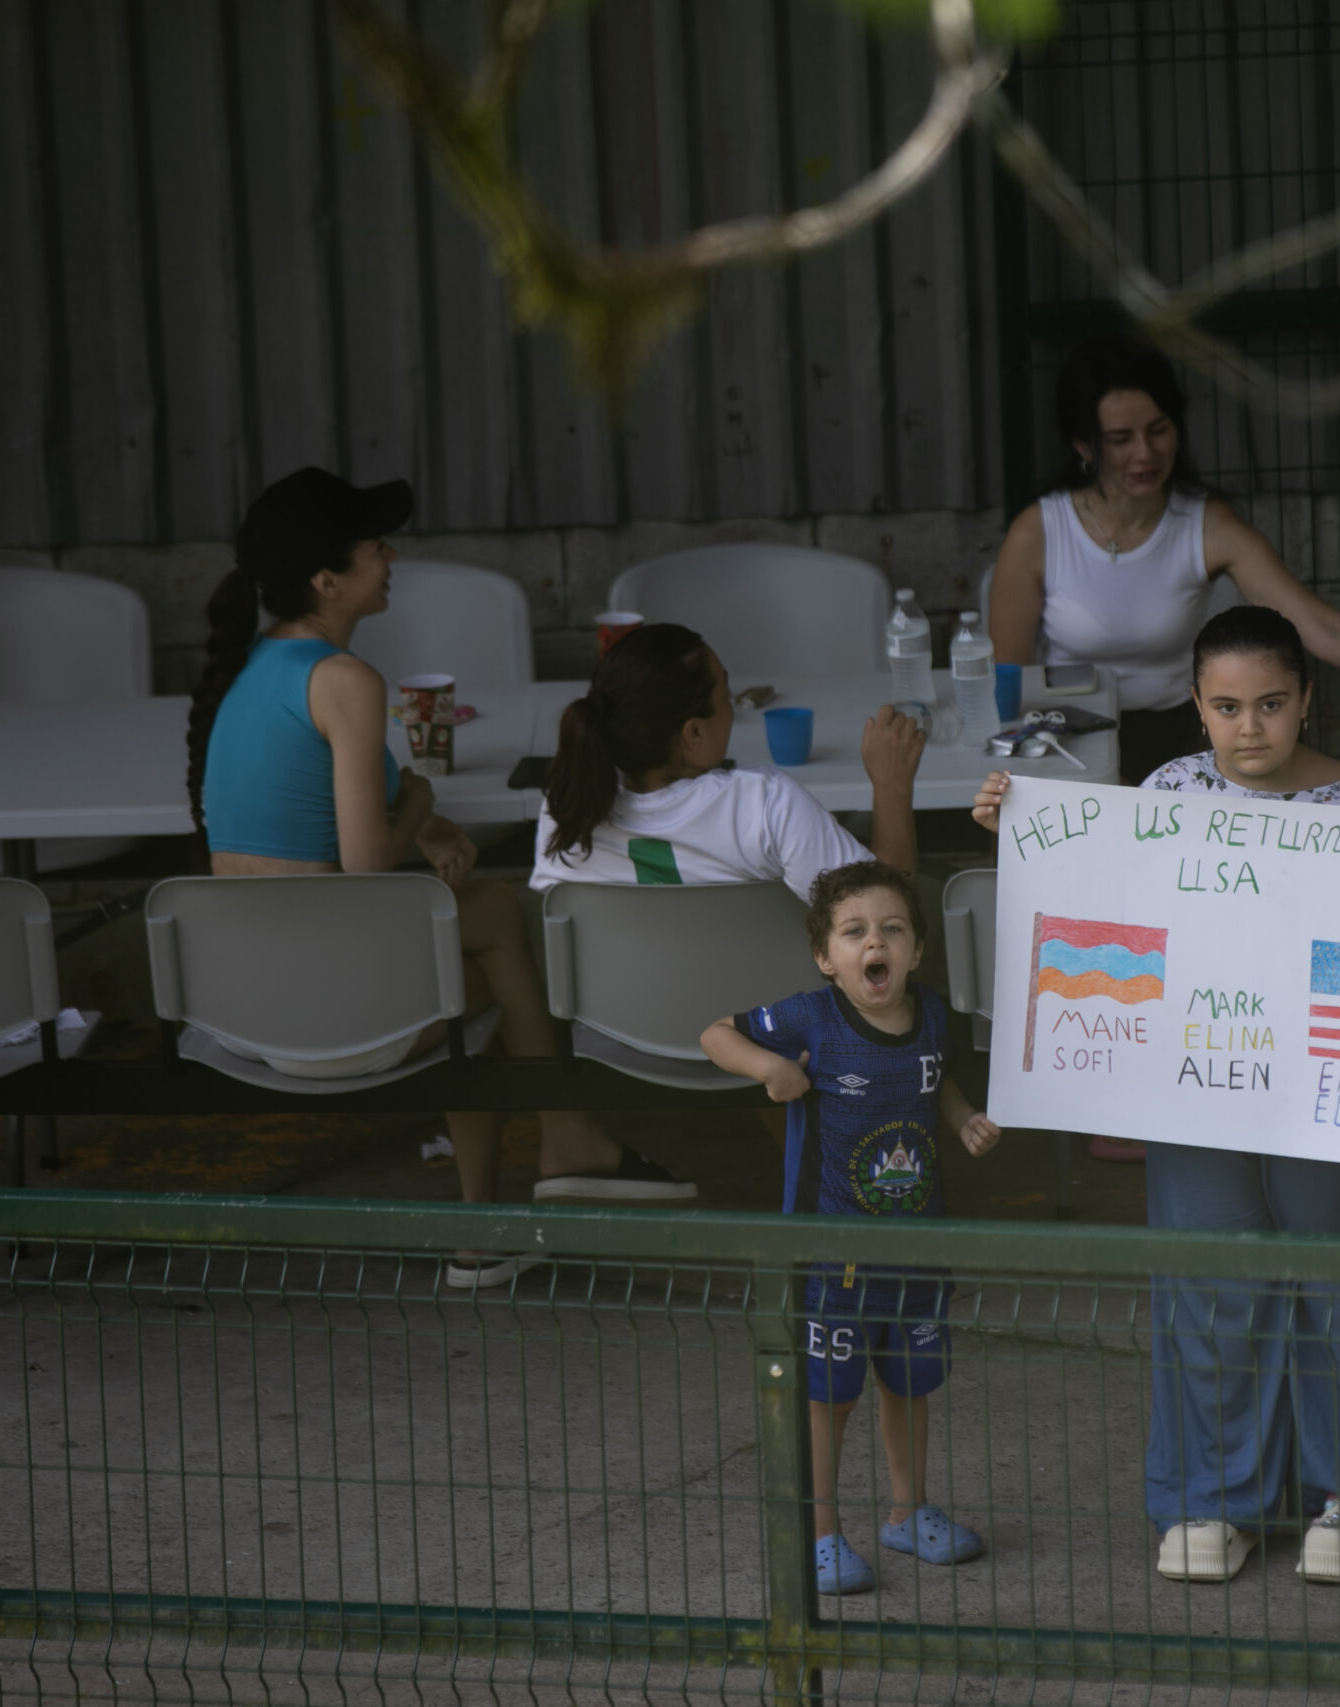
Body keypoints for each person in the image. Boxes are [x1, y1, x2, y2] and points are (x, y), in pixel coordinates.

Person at [974, 605, 1340, 1587]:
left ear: (1308, 700)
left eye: (1270, 703)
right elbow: (1115, 903)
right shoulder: (1167, 789)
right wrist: (1028, 829)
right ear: (1195, 705)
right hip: (1194, 1083)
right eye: (1226, 705)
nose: (1249, 725)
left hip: (1324, 1091)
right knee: (1208, 1282)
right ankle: (1214, 1498)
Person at [187, 467, 692, 1288]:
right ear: (327, 580)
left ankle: (497, 1220)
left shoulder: (255, 669)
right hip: (332, 1024)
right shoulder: (345, 681)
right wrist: (419, 794)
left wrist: (418, 825)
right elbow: (364, 868)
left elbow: (314, 813)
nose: (391, 556)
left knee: (485, 927)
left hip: (251, 1012)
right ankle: (557, 1147)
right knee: (499, 926)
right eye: (373, 546)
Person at [990, 334, 1340, 795]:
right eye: (1121, 439)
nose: (1145, 454)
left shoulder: (1206, 523)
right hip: (1071, 748)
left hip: (1187, 742)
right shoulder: (1039, 531)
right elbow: (1005, 686)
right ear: (1085, 444)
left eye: (1158, 430)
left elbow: (1322, 628)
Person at [700, 861, 1002, 1595]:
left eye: (893, 929)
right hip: (830, 1255)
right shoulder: (812, 1015)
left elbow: (940, 1079)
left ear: (917, 949)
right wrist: (770, 1070)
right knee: (829, 1398)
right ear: (826, 956)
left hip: (916, 1250)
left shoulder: (932, 1015)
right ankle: (820, 1531)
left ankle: (907, 1511)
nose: (877, 942)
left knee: (910, 1385)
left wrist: (962, 1119)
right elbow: (715, 1033)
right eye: (855, 931)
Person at [531, 621, 925, 895]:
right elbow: (888, 916)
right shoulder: (764, 804)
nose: (732, 708)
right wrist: (892, 786)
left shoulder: (564, 806)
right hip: (759, 1017)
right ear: (694, 734)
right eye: (725, 694)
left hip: (610, 1019)